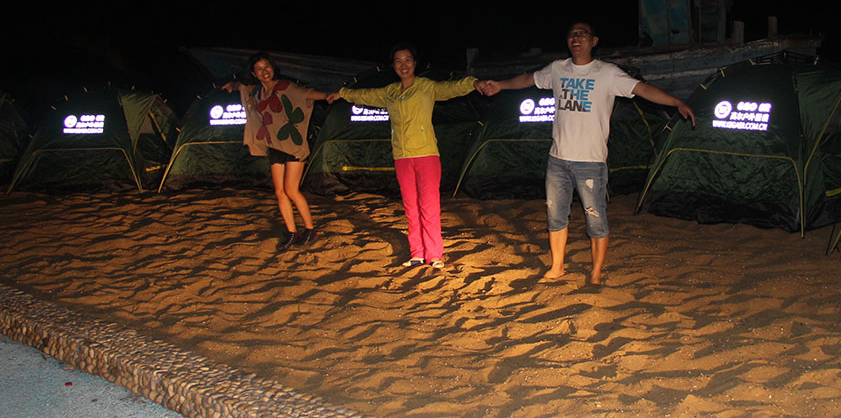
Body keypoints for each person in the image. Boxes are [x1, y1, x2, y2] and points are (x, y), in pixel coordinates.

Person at [480, 22, 695, 284]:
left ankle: (595, 272)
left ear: (594, 41)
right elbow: (528, 79)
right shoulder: (558, 69)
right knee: (555, 216)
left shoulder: (607, 73)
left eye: (582, 34)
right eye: (572, 34)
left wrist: (676, 102)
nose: (576, 37)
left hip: (591, 162)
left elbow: (642, 89)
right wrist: (500, 85)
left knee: (595, 218)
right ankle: (557, 267)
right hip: (558, 160)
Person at [327, 44, 484, 269]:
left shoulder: (426, 87)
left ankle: (434, 254)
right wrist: (342, 93)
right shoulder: (390, 92)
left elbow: (451, 88)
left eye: (407, 60)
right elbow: (365, 95)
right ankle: (417, 252)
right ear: (393, 65)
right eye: (398, 60)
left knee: (429, 206)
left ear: (415, 63)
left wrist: (473, 83)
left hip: (426, 154)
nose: (403, 65)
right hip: (401, 156)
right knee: (411, 206)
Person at [223, 52, 328, 250]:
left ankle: (310, 229)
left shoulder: (285, 86)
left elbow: (306, 93)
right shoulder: (256, 91)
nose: (265, 71)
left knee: (291, 189)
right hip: (275, 146)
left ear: (273, 68)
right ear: (253, 73)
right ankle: (292, 232)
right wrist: (232, 85)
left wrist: (327, 96)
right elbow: (242, 87)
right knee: (279, 191)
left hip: (293, 145)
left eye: (267, 66)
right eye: (259, 69)